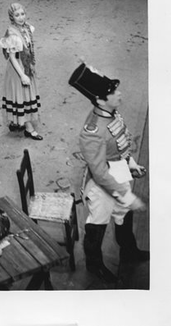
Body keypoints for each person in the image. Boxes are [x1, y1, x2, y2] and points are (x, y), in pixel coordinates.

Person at [69, 62, 149, 283]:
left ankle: (129, 252)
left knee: (124, 215)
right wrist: (127, 195)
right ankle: (95, 267)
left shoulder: (111, 113)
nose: (119, 93)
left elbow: (121, 142)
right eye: (113, 92)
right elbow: (101, 173)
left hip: (119, 170)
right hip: (101, 184)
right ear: (99, 100)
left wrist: (130, 163)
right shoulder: (93, 133)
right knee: (97, 226)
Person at [0, 3, 42, 140]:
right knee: (22, 96)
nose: (21, 17)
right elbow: (12, 57)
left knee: (24, 96)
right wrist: (22, 74)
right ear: (12, 17)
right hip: (17, 68)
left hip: (26, 65)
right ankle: (28, 128)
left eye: (22, 14)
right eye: (17, 15)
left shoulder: (27, 28)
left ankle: (15, 121)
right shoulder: (12, 33)